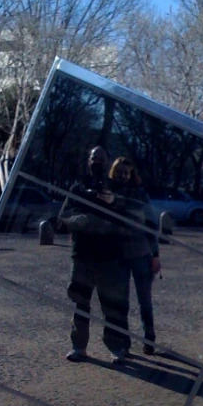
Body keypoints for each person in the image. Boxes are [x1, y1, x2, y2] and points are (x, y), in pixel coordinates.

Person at [60, 146, 132, 365]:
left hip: (109, 257)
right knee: (79, 304)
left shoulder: (117, 188)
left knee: (112, 306)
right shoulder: (77, 187)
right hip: (81, 255)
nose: (97, 162)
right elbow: (62, 218)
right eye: (94, 158)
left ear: (108, 161)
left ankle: (116, 348)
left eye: (101, 159)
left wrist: (113, 203)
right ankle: (79, 347)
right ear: (88, 160)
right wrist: (79, 221)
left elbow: (130, 217)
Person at [109, 157, 161, 355]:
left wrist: (155, 255)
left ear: (131, 175)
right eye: (119, 171)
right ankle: (123, 343)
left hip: (140, 253)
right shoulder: (108, 193)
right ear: (113, 172)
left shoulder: (140, 195)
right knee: (120, 302)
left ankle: (149, 339)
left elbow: (151, 225)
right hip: (117, 255)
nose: (122, 175)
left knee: (144, 301)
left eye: (126, 172)